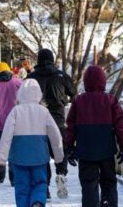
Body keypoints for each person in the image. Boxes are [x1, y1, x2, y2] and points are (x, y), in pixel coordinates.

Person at [65, 65, 123, 207]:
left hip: (86, 151)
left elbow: (71, 126)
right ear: (103, 81)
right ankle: (107, 203)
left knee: (88, 186)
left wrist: (69, 146)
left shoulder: (78, 101)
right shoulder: (110, 100)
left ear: (85, 81)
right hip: (106, 150)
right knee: (109, 183)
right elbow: (119, 125)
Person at [0, 79, 64, 207]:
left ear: (20, 94)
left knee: (22, 187)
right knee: (40, 183)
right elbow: (55, 135)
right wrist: (59, 156)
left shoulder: (15, 111)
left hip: (19, 156)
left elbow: (6, 136)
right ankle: (38, 201)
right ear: (39, 94)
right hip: (39, 155)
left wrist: (1, 159)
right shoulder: (44, 112)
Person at [26, 48, 76, 198]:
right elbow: (74, 94)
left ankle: (44, 187)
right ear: (52, 60)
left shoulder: (31, 78)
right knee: (61, 151)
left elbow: (22, 98)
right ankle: (61, 173)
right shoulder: (61, 76)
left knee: (42, 156)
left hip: (38, 123)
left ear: (38, 60)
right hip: (58, 121)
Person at [0, 62, 22, 184]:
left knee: (0, 148)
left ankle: (0, 175)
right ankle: (14, 177)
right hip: (16, 121)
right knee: (14, 149)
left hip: (0, 122)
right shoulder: (17, 83)